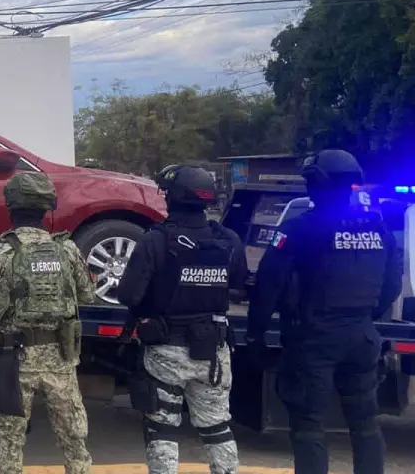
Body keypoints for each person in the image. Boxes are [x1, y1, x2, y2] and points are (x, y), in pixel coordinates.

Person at [247, 149, 403, 474]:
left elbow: (269, 283)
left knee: (308, 424)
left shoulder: (301, 227)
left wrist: (256, 333)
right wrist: (365, 316)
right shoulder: (378, 227)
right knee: (364, 422)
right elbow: (391, 285)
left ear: (315, 184)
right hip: (362, 336)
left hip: (314, 337)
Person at [117, 165, 248, 474]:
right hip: (214, 352)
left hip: (167, 349)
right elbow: (239, 283)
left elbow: (128, 295)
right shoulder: (228, 239)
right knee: (217, 426)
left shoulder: (155, 240)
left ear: (172, 198)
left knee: (162, 428)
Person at [0, 171, 94, 474]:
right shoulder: (67, 249)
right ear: (46, 208)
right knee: (75, 445)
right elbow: (88, 295)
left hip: (13, 361)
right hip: (60, 359)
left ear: (10, 208)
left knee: (10, 450)